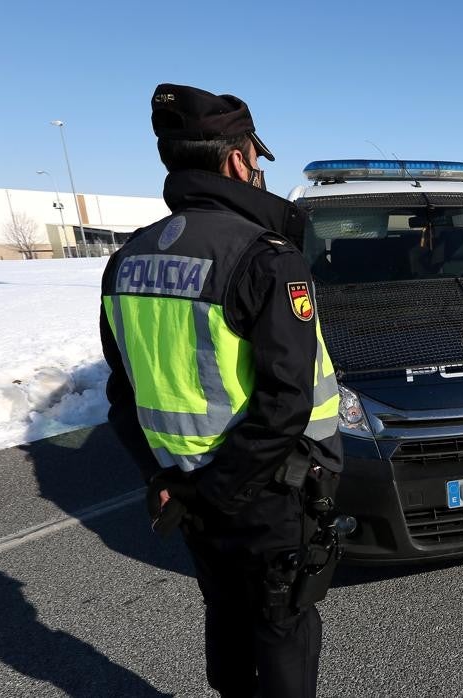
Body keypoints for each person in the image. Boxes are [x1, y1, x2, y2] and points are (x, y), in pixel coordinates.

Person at [99, 83, 344, 698]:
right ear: (238, 160)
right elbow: (286, 400)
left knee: (227, 613)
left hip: (186, 490)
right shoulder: (264, 257)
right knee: (281, 626)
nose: (258, 170)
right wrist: (222, 490)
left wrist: (167, 480)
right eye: (257, 158)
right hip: (262, 494)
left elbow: (123, 394)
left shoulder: (126, 260)